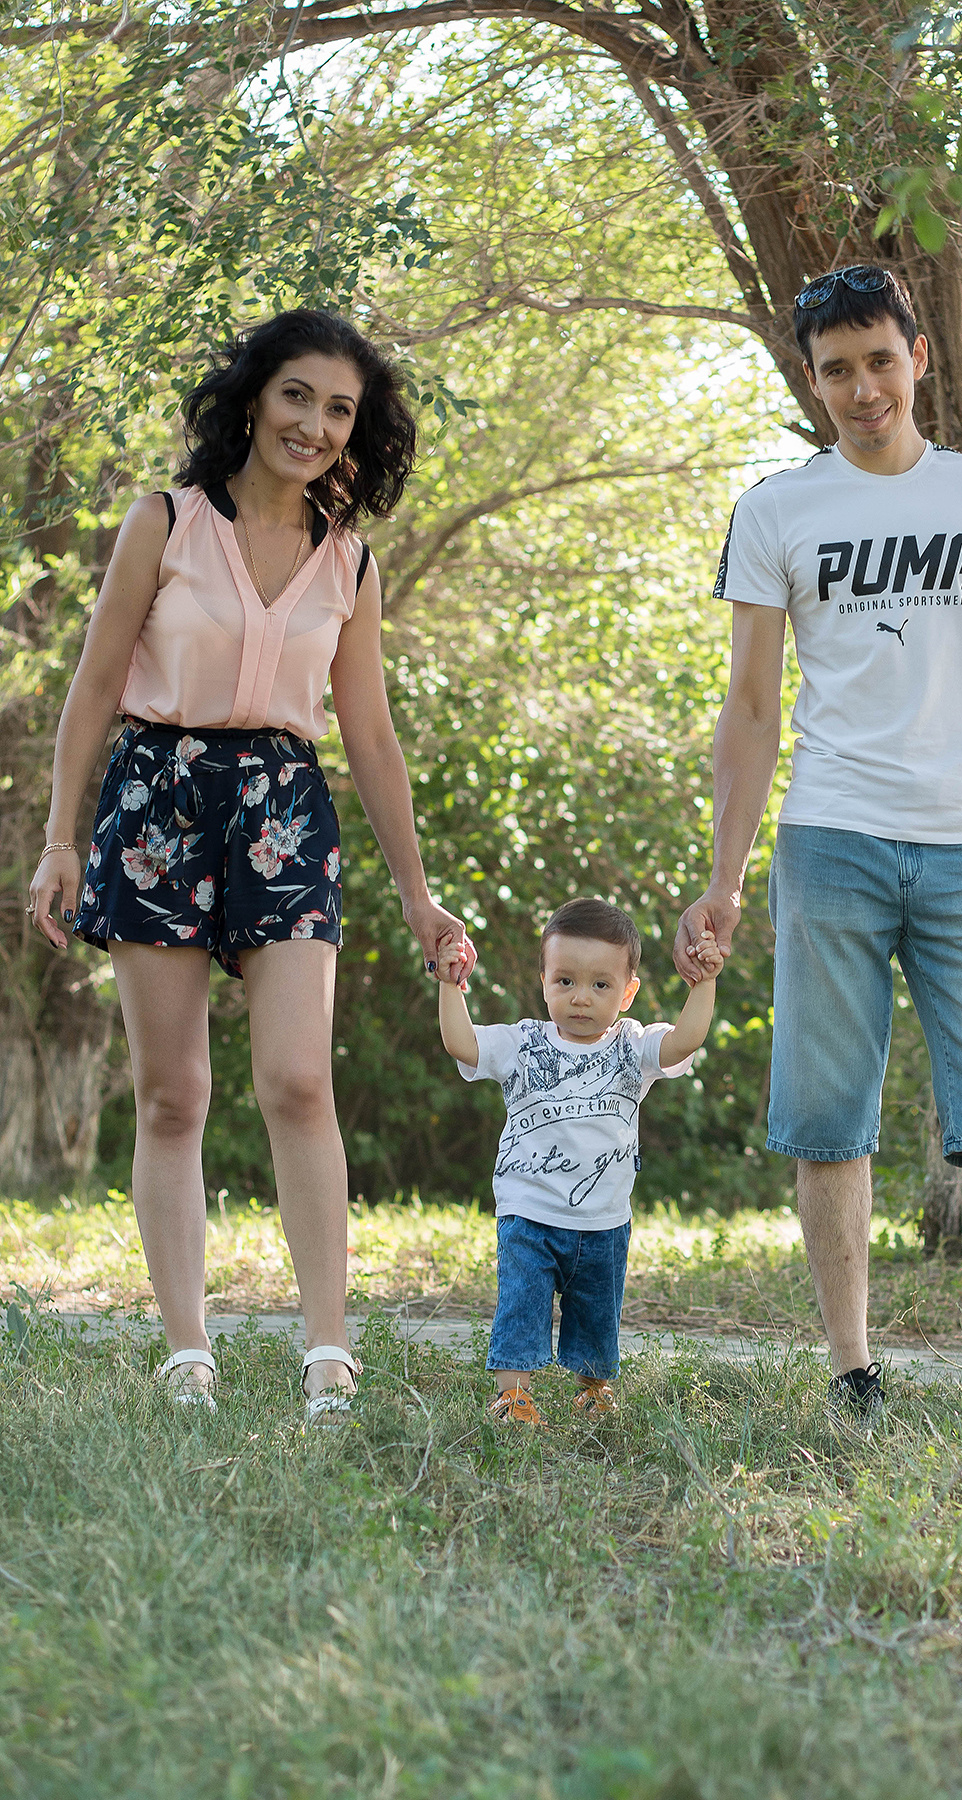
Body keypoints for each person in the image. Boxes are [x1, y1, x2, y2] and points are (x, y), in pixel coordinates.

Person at [673, 263, 962, 1432]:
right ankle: (850, 1374)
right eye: (836, 370)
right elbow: (753, 708)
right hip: (830, 839)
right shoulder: (777, 510)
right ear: (813, 381)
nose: (862, 387)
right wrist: (723, 880)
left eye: (880, 360)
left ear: (918, 356)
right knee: (830, 1113)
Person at [27, 308, 474, 1423]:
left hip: (285, 808)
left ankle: (329, 1350)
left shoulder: (351, 563)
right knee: (174, 1094)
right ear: (252, 397)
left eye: (339, 410)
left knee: (298, 1082)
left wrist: (418, 896)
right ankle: (189, 1352)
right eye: (297, 397)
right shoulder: (165, 523)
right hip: (158, 804)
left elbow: (368, 737)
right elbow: (91, 686)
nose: (315, 425)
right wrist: (58, 836)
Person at [437, 896, 724, 1422]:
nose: (581, 998)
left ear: (628, 991)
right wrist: (449, 986)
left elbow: (687, 1039)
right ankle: (513, 1395)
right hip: (528, 1213)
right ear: (543, 980)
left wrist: (703, 983)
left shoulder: (632, 1048)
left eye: (600, 985)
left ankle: (593, 1389)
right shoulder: (523, 1043)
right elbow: (461, 1044)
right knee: (521, 1306)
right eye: (565, 981)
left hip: (604, 1220)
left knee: (596, 1313)